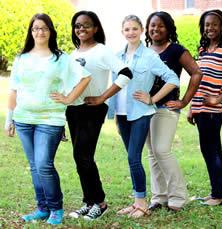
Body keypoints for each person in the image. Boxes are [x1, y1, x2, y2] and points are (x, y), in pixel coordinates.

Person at [85, 15, 179, 218]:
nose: (131, 32)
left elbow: (172, 79)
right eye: (127, 29)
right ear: (122, 32)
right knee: (132, 159)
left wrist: (152, 98)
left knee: (133, 158)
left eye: (135, 29)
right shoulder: (117, 55)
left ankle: (142, 204)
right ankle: (137, 201)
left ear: (141, 31)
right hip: (121, 113)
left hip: (140, 113)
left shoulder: (150, 56)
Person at [4, 13, 91, 225]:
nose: (39, 32)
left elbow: (85, 76)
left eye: (43, 28)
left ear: (50, 31)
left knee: (43, 164)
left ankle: (56, 207)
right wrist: (10, 117)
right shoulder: (21, 59)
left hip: (50, 119)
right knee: (34, 165)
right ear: (31, 32)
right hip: (24, 118)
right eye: (35, 28)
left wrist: (68, 98)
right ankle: (42, 208)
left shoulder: (60, 58)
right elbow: (14, 89)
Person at [66, 11, 132, 220]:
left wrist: (102, 97)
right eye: (77, 25)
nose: (81, 29)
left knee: (84, 156)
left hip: (92, 110)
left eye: (86, 25)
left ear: (95, 28)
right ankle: (89, 201)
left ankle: (100, 203)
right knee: (79, 157)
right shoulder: (72, 54)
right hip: (73, 109)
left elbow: (126, 73)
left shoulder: (102, 51)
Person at [142, 11, 202, 212]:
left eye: (160, 25)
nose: (155, 29)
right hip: (145, 108)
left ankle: (178, 196)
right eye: (152, 25)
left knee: (161, 150)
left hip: (167, 107)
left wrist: (184, 100)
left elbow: (196, 73)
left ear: (168, 28)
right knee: (152, 153)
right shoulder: (144, 50)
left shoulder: (176, 50)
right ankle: (159, 197)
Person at [188, 9, 222, 206]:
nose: (210, 28)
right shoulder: (202, 51)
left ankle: (218, 195)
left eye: (214, 24)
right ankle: (214, 192)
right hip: (200, 108)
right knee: (207, 149)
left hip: (214, 110)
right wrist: (192, 107)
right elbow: (198, 82)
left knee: (212, 150)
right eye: (207, 24)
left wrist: (219, 99)